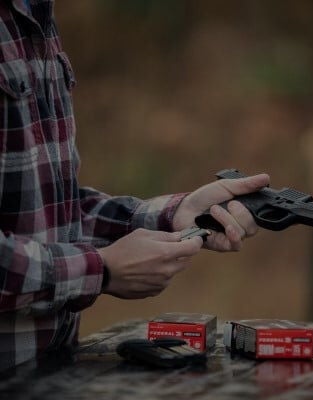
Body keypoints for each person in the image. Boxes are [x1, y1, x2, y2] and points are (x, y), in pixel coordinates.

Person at [0, 0, 269, 371]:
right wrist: (100, 269)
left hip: (51, 370)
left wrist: (176, 214)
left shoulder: (34, 15)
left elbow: (44, 213)